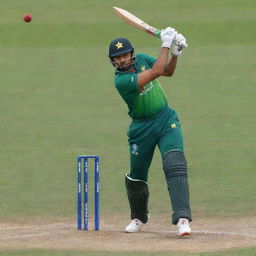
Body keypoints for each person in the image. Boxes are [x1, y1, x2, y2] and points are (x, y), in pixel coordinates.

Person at [108, 27, 192, 236]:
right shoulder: (121, 81)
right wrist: (165, 43)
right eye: (116, 58)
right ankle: (138, 218)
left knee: (174, 163)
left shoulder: (143, 59)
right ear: (113, 61)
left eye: (124, 55)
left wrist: (175, 53)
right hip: (141, 127)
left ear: (131, 54)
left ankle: (183, 218)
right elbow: (155, 72)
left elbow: (167, 71)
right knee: (137, 176)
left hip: (166, 120)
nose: (121, 60)